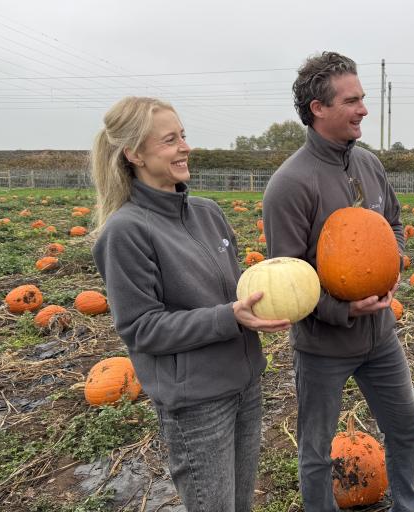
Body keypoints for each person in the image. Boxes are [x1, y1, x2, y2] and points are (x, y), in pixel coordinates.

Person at [90, 96, 290, 512]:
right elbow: (142, 328)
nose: (185, 147)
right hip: (197, 403)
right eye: (170, 140)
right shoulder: (125, 232)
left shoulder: (207, 212)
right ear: (135, 154)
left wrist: (271, 291)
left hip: (245, 384)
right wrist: (229, 317)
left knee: (240, 505)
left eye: (183, 135)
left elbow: (231, 291)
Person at [262, 52, 414, 512]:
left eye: (363, 98)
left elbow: (391, 223)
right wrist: (343, 309)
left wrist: (391, 262)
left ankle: (408, 506)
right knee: (316, 446)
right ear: (319, 108)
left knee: (406, 421)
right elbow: (287, 278)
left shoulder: (369, 164)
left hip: (380, 338)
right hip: (323, 346)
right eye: (352, 101)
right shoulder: (290, 184)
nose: (364, 110)